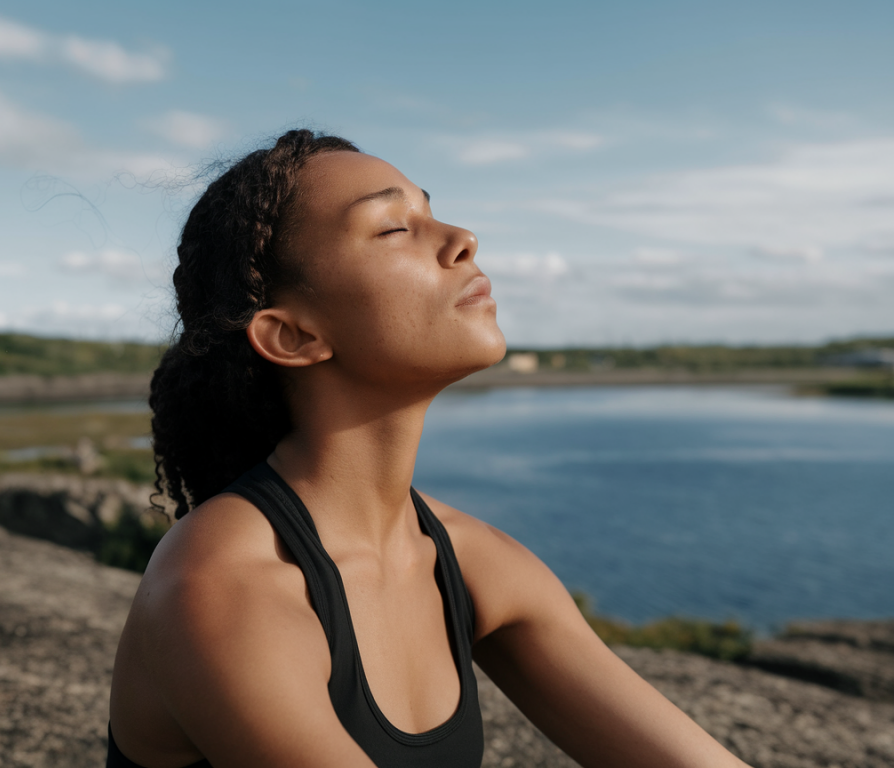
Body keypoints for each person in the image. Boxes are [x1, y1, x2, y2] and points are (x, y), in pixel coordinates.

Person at [107, 129, 750, 768]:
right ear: (293, 335)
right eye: (393, 228)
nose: (462, 238)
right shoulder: (219, 587)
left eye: (432, 211)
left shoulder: (470, 560)